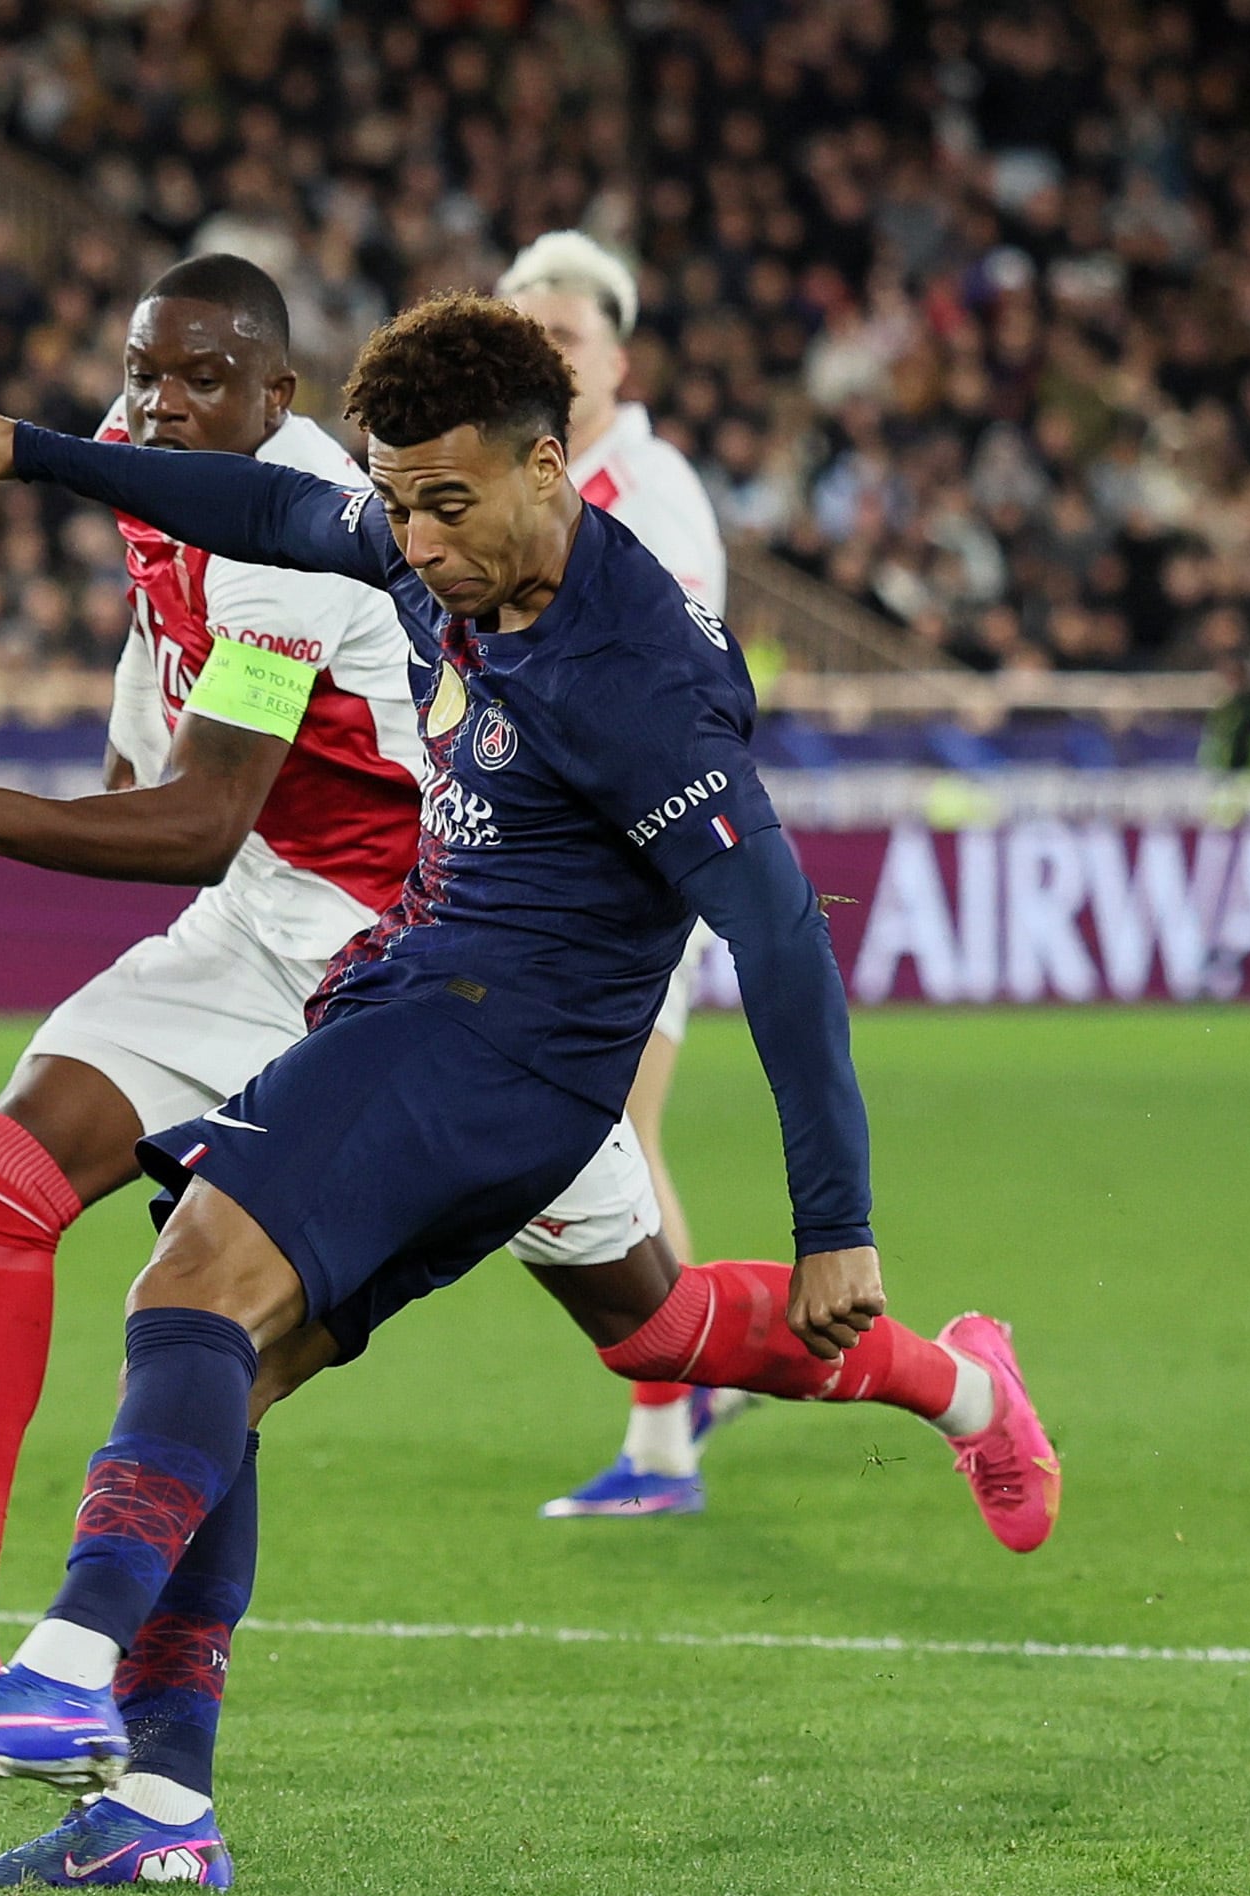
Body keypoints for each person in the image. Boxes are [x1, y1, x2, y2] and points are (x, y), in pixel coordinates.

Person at [0, 296, 1061, 1890]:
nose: (417, 543)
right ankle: (158, 1808)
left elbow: (777, 936)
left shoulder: (632, 673)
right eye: (401, 503)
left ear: (551, 468)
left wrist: (839, 1224)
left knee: (191, 1279)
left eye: (447, 504)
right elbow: (286, 510)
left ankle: (62, 1670)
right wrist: (36, 455)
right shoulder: (455, 545)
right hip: (427, 1005)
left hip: (498, 1044)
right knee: (232, 1359)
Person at [0, 255, 690, 1749]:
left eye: (201, 379)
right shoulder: (153, 471)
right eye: (141, 370)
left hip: (419, 963)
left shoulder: (308, 525)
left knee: (654, 1326)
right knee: (15, 1180)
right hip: (265, 920)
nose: (157, 403)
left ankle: (943, 1377)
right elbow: (161, 702)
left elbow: (196, 818)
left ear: (279, 396)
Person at [500, 231, 747, 1517]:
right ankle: (717, 1366)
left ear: (617, 356)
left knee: (610, 1137)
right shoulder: (517, 474)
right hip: (543, 859)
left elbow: (662, 675)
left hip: (629, 864)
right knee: (598, 1141)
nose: (544, 353)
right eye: (522, 331)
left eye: (566, 336)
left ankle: (671, 1435)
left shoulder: (644, 487)